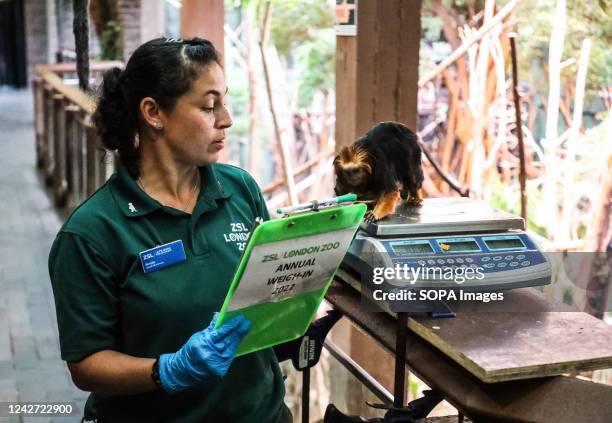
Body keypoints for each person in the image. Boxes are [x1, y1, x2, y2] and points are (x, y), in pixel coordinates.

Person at [48, 37, 292, 422]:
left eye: (224, 102)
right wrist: (167, 370)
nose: (226, 119)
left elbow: (268, 292)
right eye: (209, 105)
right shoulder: (93, 233)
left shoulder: (239, 189)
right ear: (153, 112)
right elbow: (86, 364)